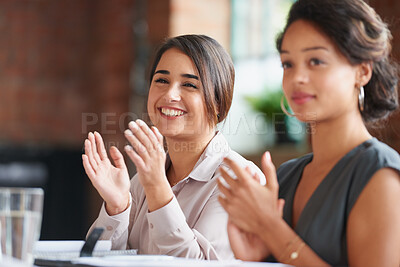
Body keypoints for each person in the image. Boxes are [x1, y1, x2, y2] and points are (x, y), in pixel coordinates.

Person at [217, 0, 400, 266]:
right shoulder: (286, 176)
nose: (297, 77)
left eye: (316, 61)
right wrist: (254, 259)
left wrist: (271, 230)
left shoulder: (379, 175)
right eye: (288, 64)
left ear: (362, 71)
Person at [82, 34, 264, 260]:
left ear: (218, 102)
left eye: (189, 84)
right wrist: (117, 207)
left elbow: (199, 265)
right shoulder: (141, 182)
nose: (170, 95)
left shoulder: (239, 179)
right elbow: (95, 260)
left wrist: (158, 189)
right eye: (161, 80)